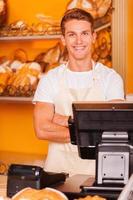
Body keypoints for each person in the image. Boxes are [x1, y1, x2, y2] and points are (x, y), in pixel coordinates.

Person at [33, 8, 124, 176]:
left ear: (94, 37)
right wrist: (90, 128)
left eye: (84, 33)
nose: (79, 41)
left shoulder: (111, 79)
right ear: (63, 39)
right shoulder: (50, 79)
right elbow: (42, 129)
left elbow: (114, 130)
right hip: (56, 174)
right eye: (72, 34)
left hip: (98, 174)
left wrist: (63, 119)